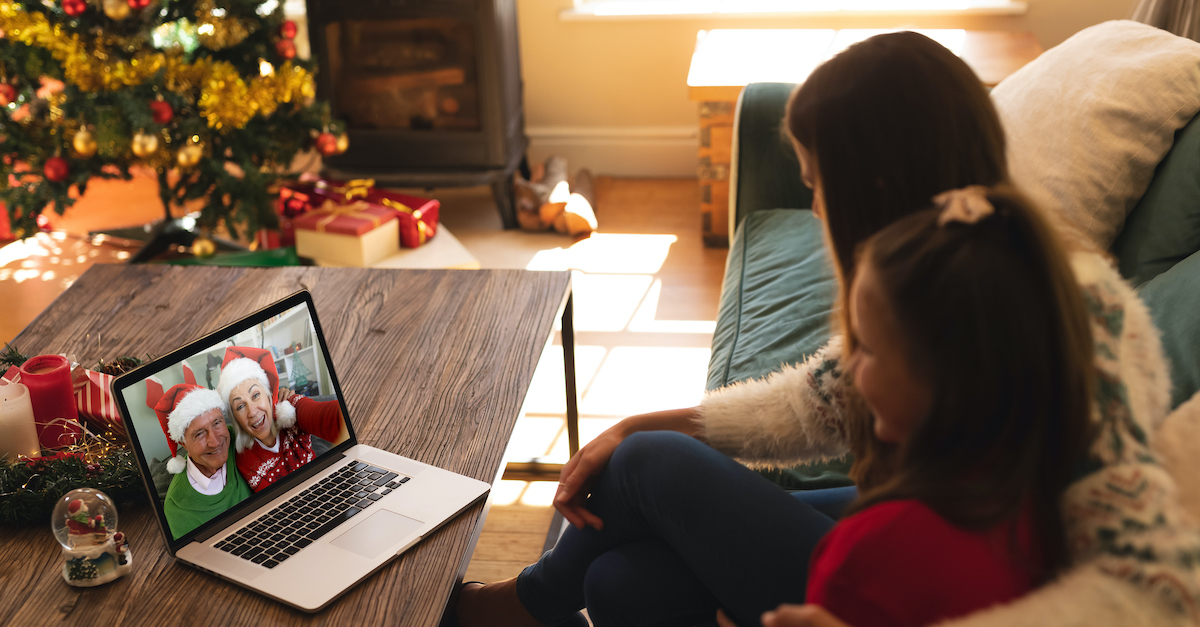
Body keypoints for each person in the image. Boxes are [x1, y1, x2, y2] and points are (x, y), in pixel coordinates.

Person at [457, 31, 1200, 627]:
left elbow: (1137, 569)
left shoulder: (1069, 311)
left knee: (649, 466)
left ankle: (524, 604)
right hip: (936, 525)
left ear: (873, 181)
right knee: (622, 584)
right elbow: (820, 402)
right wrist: (635, 421)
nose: (815, 210)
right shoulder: (954, 265)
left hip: (959, 578)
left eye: (816, 185)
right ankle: (543, 597)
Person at [216, 346, 346, 492]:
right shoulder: (244, 459)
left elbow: (331, 417)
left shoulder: (290, 407)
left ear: (268, 395)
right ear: (235, 417)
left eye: (256, 395)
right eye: (240, 406)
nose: (252, 412)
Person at [155, 382, 252, 539]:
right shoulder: (177, 506)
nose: (214, 442)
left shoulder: (238, 440)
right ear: (182, 443)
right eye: (199, 434)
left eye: (217, 423)